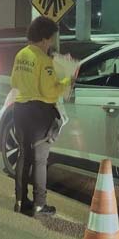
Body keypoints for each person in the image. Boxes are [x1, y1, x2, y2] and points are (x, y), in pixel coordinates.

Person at [10, 16, 71, 217]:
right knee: (40, 159)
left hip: (19, 109)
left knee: (23, 154)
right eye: (52, 38)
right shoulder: (44, 60)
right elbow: (49, 92)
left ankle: (20, 201)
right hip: (38, 112)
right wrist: (67, 81)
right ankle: (39, 204)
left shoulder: (21, 54)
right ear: (44, 38)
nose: (52, 42)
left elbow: (14, 81)